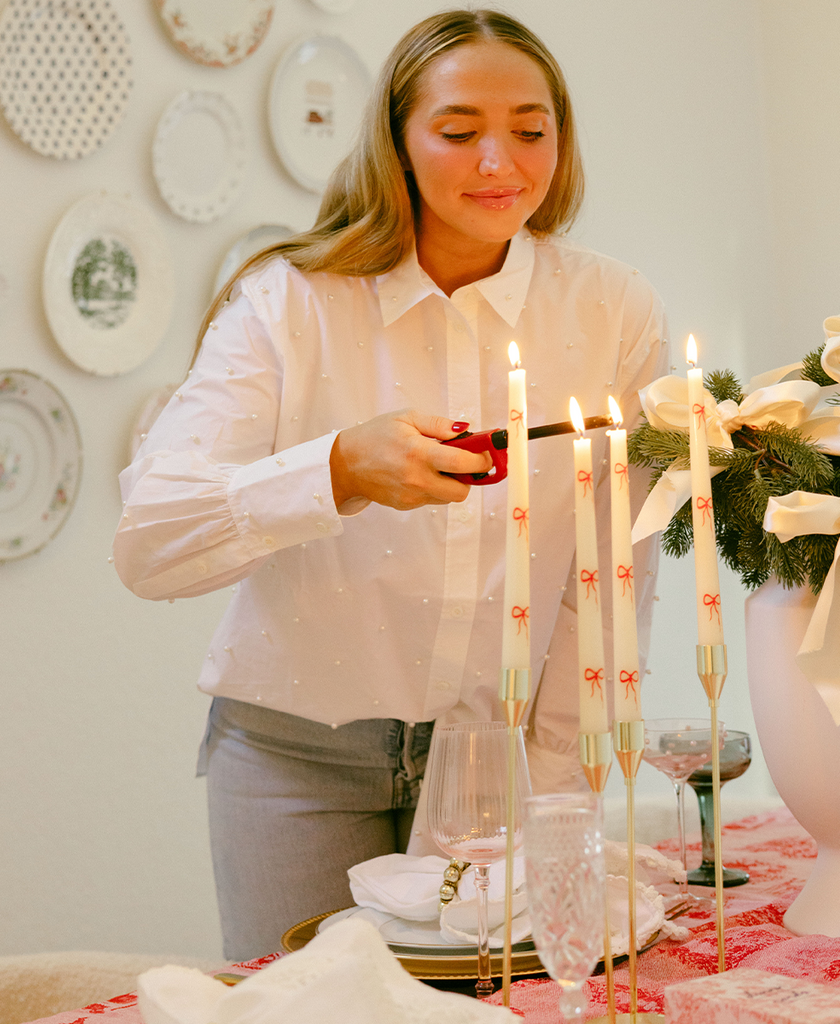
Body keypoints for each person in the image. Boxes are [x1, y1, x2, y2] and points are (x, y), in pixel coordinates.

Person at [113, 8, 668, 961]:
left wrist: (558, 788)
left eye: (530, 130)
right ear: (397, 142)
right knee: (302, 1011)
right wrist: (334, 470)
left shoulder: (612, 309)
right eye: (458, 131)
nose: (499, 161)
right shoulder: (287, 302)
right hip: (295, 761)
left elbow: (612, 575)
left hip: (497, 763)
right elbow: (150, 544)